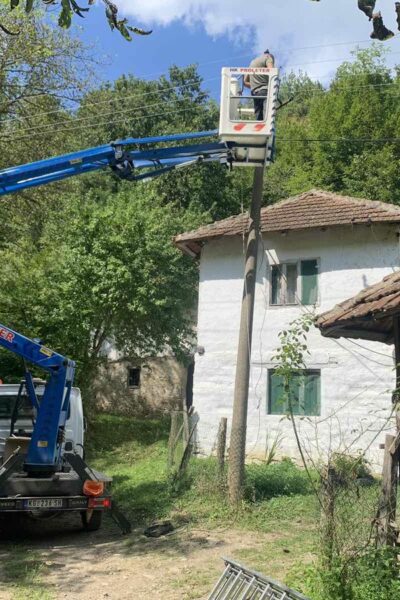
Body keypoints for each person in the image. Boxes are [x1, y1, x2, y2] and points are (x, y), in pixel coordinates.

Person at [243, 50, 275, 121]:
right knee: (267, 116)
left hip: (255, 93)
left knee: (259, 117)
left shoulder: (252, 62)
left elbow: (244, 82)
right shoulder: (268, 57)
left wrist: (255, 85)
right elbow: (272, 71)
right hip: (265, 90)